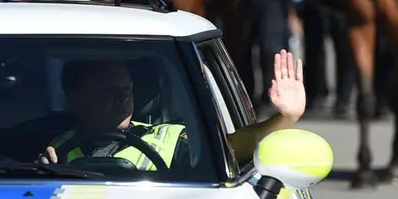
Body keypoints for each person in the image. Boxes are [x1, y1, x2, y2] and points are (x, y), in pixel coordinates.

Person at [42, 50, 308, 172]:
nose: (124, 97)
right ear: (76, 98)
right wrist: (42, 174)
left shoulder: (171, 140)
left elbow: (235, 148)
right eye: (109, 90)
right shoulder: (57, 148)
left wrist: (286, 118)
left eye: (128, 89)